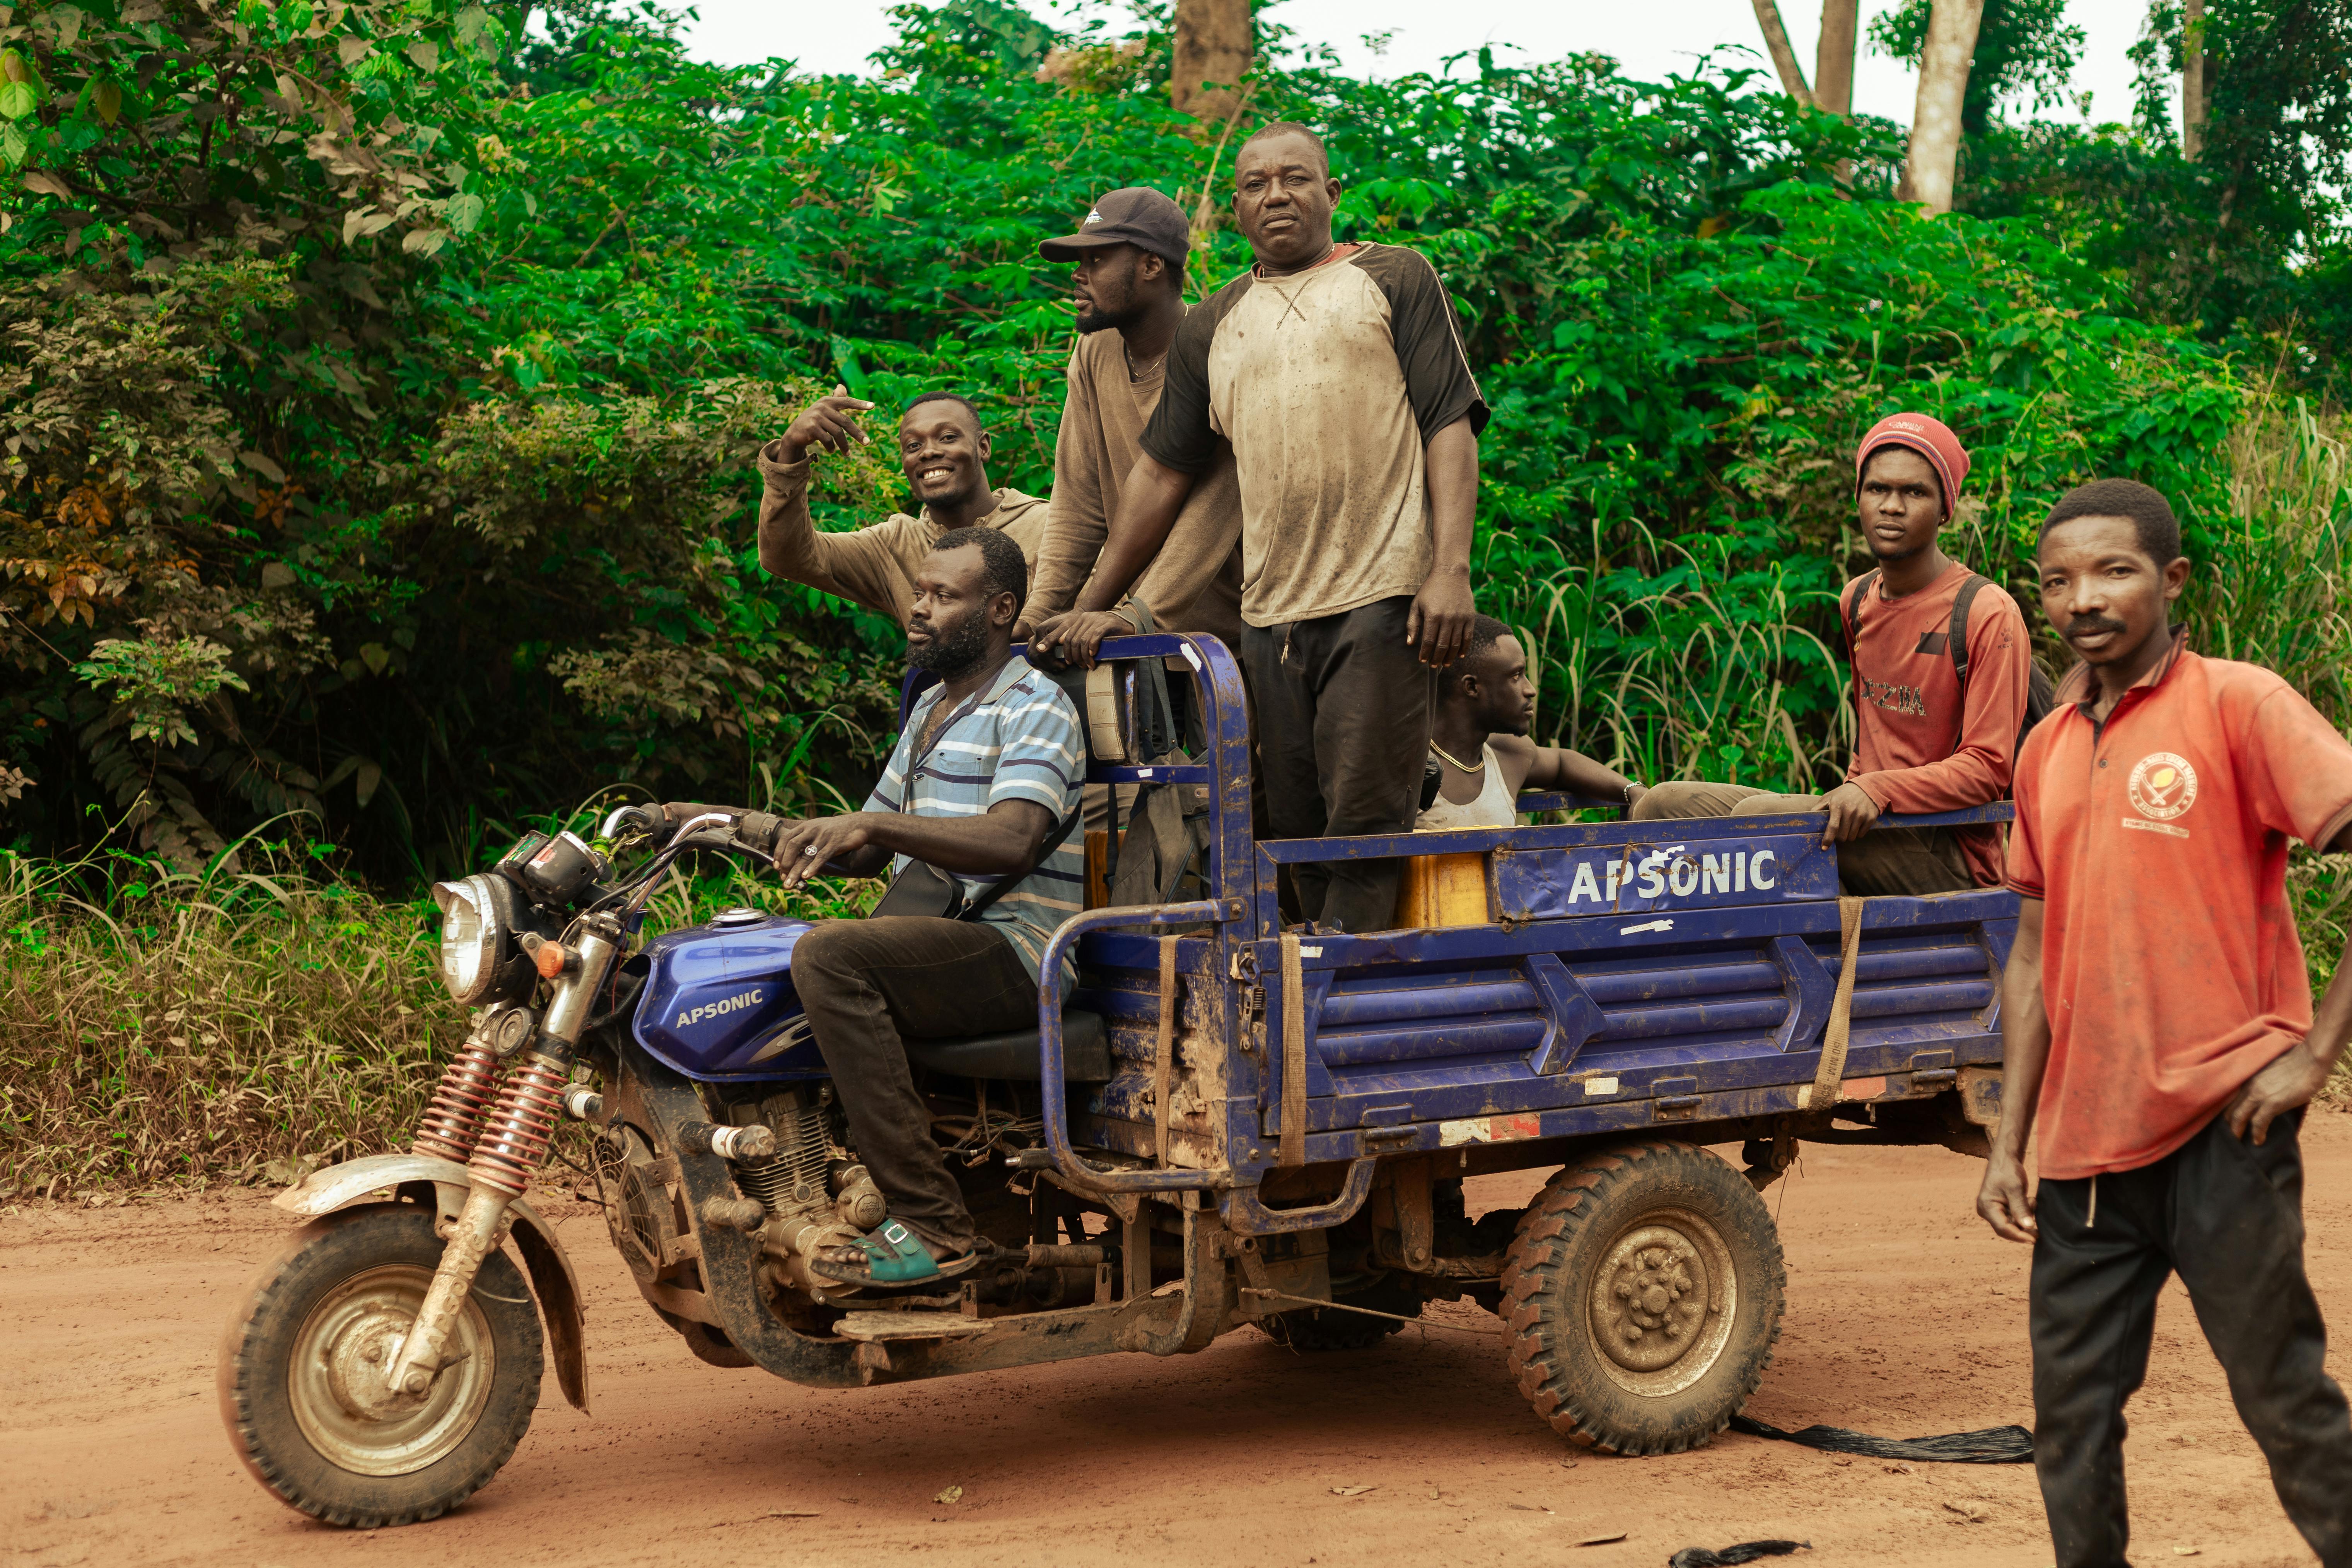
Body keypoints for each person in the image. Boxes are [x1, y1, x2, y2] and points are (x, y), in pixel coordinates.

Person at [1975, 479, 2352, 1568]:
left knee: (2281, 1395)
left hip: (2224, 1127)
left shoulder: (2240, 703)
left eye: (2112, 569)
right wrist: (2009, 1132)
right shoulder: (2044, 747)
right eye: (2056, 579)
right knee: (2071, 1423)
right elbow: (2034, 953)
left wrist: (2315, 1051)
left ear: (2172, 578)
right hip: (2087, 1152)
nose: (2081, 597)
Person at [1033, 121, 1487, 933]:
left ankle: (1337, 999)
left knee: (1362, 819)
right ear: (1233, 212)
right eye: (1254, 184)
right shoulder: (1213, 324)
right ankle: (1305, 989)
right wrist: (1093, 602)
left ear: (1329, 193)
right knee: (1285, 820)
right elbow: (1158, 474)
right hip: (1268, 615)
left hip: (1379, 594)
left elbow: (1448, 424)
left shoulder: (1392, 277)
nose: (1275, 193)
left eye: (1295, 177)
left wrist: (1448, 568)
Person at [765, 526, 1085, 1286]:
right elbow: (868, 849)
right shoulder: (935, 711)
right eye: (919, 591)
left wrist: (872, 821)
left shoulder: (1032, 705)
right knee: (766, 949)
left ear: (1000, 608)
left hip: (1018, 949)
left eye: (943, 596)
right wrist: (740, 826)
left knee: (831, 955)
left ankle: (937, 1226)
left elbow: (1012, 839)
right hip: (948, 937)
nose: (918, 608)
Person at [1628, 411, 2035, 896]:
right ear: (1858, 496)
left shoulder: (1986, 610)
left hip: (1946, 852)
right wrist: (1853, 790)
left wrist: (1876, 790)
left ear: (1945, 508)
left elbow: (1988, 769)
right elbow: (1872, 740)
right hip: (1868, 822)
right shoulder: (1857, 599)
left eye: (1915, 492)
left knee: (1759, 821)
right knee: (1663, 804)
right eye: (1877, 489)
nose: (1892, 506)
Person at [1022, 186, 1245, 652]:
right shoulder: (1094, 350)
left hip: (1231, 636)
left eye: (1097, 260)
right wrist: (1037, 616)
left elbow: (1218, 509)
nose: (1078, 277)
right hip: (1131, 636)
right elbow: (1077, 504)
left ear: (1150, 265)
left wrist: (1138, 612)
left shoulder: (1220, 350)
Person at [756, 388, 1049, 628]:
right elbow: (787, 555)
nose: (929, 452)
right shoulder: (895, 546)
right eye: (913, 446)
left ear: (983, 447)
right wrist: (791, 449)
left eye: (948, 437)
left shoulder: (1048, 525)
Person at [1419, 615, 1643, 829]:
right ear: (1472, 688)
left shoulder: (1506, 754)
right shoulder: (1411, 764)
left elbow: (1562, 762)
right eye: (1516, 676)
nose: (1530, 690)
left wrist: (1634, 791)